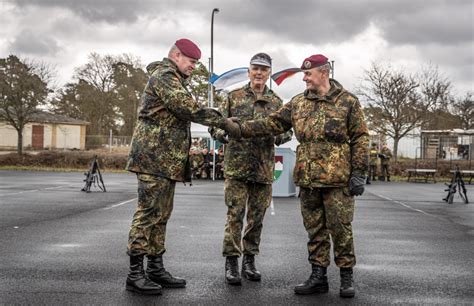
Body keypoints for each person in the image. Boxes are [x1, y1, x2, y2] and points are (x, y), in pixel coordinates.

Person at [226, 54, 368, 297]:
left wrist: (359, 173)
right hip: (308, 179)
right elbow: (271, 124)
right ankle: (318, 276)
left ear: (324, 73)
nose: (304, 78)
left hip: (338, 180)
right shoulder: (298, 103)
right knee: (315, 230)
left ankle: (346, 277)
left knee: (341, 228)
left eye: (308, 74)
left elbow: (361, 138)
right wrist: (240, 128)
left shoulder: (348, 102)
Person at [125, 38, 237, 295]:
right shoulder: (165, 76)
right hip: (153, 159)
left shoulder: (174, 78)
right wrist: (225, 122)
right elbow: (187, 108)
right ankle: (135, 273)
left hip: (164, 161)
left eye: (197, 63)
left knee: (161, 216)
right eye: (191, 61)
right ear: (176, 55)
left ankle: (155, 267)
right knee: (148, 215)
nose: (194, 67)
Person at [210, 52, 293, 285]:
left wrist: (280, 135)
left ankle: (249, 260)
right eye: (255, 68)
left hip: (263, 169)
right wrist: (224, 134)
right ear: (248, 71)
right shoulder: (232, 97)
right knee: (234, 216)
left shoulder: (276, 102)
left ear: (268, 74)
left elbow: (286, 130)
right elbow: (215, 126)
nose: (258, 73)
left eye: (263, 70)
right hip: (237, 167)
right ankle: (231, 263)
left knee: (257, 218)